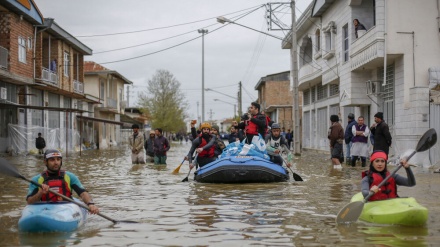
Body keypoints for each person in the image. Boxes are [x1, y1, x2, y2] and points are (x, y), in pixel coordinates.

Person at [26, 149, 99, 214]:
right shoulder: (37, 179)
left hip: (66, 208)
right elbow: (29, 202)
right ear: (45, 162)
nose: (56, 162)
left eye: (58, 159)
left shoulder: (70, 176)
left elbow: (83, 193)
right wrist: (40, 193)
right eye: (52, 160)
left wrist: (90, 204)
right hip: (45, 209)